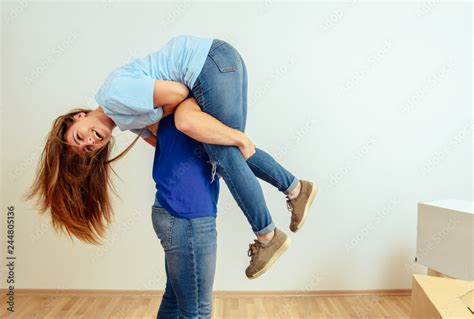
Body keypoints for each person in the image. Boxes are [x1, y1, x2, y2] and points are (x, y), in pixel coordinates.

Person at [24, 35, 318, 279]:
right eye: (87, 148)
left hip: (207, 65)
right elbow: (158, 139)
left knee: (210, 139)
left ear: (79, 116)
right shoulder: (124, 119)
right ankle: (295, 188)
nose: (90, 141)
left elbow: (176, 94)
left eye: (80, 136)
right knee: (215, 145)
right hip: (218, 62)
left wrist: (178, 121)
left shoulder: (114, 96)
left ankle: (268, 236)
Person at [150, 113, 219, 318]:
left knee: (175, 299)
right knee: (197, 309)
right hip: (187, 214)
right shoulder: (186, 106)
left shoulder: (173, 106)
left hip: (176, 208)